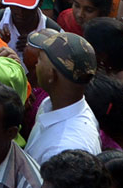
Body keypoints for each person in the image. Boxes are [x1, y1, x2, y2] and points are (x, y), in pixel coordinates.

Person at [24, 30, 101, 164]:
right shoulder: (49, 104)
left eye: (40, 59)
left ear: (51, 75)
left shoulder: (63, 148)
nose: (36, 64)